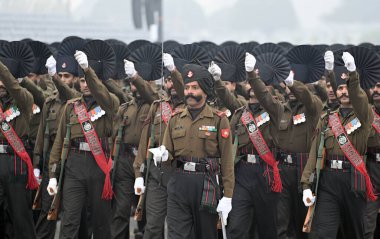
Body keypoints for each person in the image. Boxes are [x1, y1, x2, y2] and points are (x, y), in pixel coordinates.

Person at [301, 52, 376, 239]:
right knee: (321, 233)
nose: (343, 92)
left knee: (355, 233)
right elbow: (315, 152)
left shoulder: (364, 115)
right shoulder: (327, 119)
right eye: (339, 88)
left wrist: (352, 74)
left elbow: (360, 99)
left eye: (346, 88)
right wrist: (306, 184)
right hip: (328, 181)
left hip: (354, 181)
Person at [47, 50, 119, 239]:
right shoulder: (71, 106)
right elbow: (60, 141)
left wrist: (87, 69)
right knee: (70, 219)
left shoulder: (109, 104)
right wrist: (53, 173)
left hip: (99, 165)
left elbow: (104, 96)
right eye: (82, 80)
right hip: (74, 165)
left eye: (88, 80)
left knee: (101, 222)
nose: (85, 85)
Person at [162, 64, 234, 239]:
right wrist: (163, 155)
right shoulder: (175, 119)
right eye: (186, 88)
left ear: (205, 91)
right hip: (179, 183)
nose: (189, 92)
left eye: (195, 88)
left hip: (206, 183)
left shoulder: (218, 120)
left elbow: (227, 160)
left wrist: (228, 196)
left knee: (206, 234)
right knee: (177, 234)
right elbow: (167, 153)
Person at [364, 81, 380, 239]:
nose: (376, 90)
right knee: (367, 223)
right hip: (372, 169)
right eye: (374, 86)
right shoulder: (367, 114)